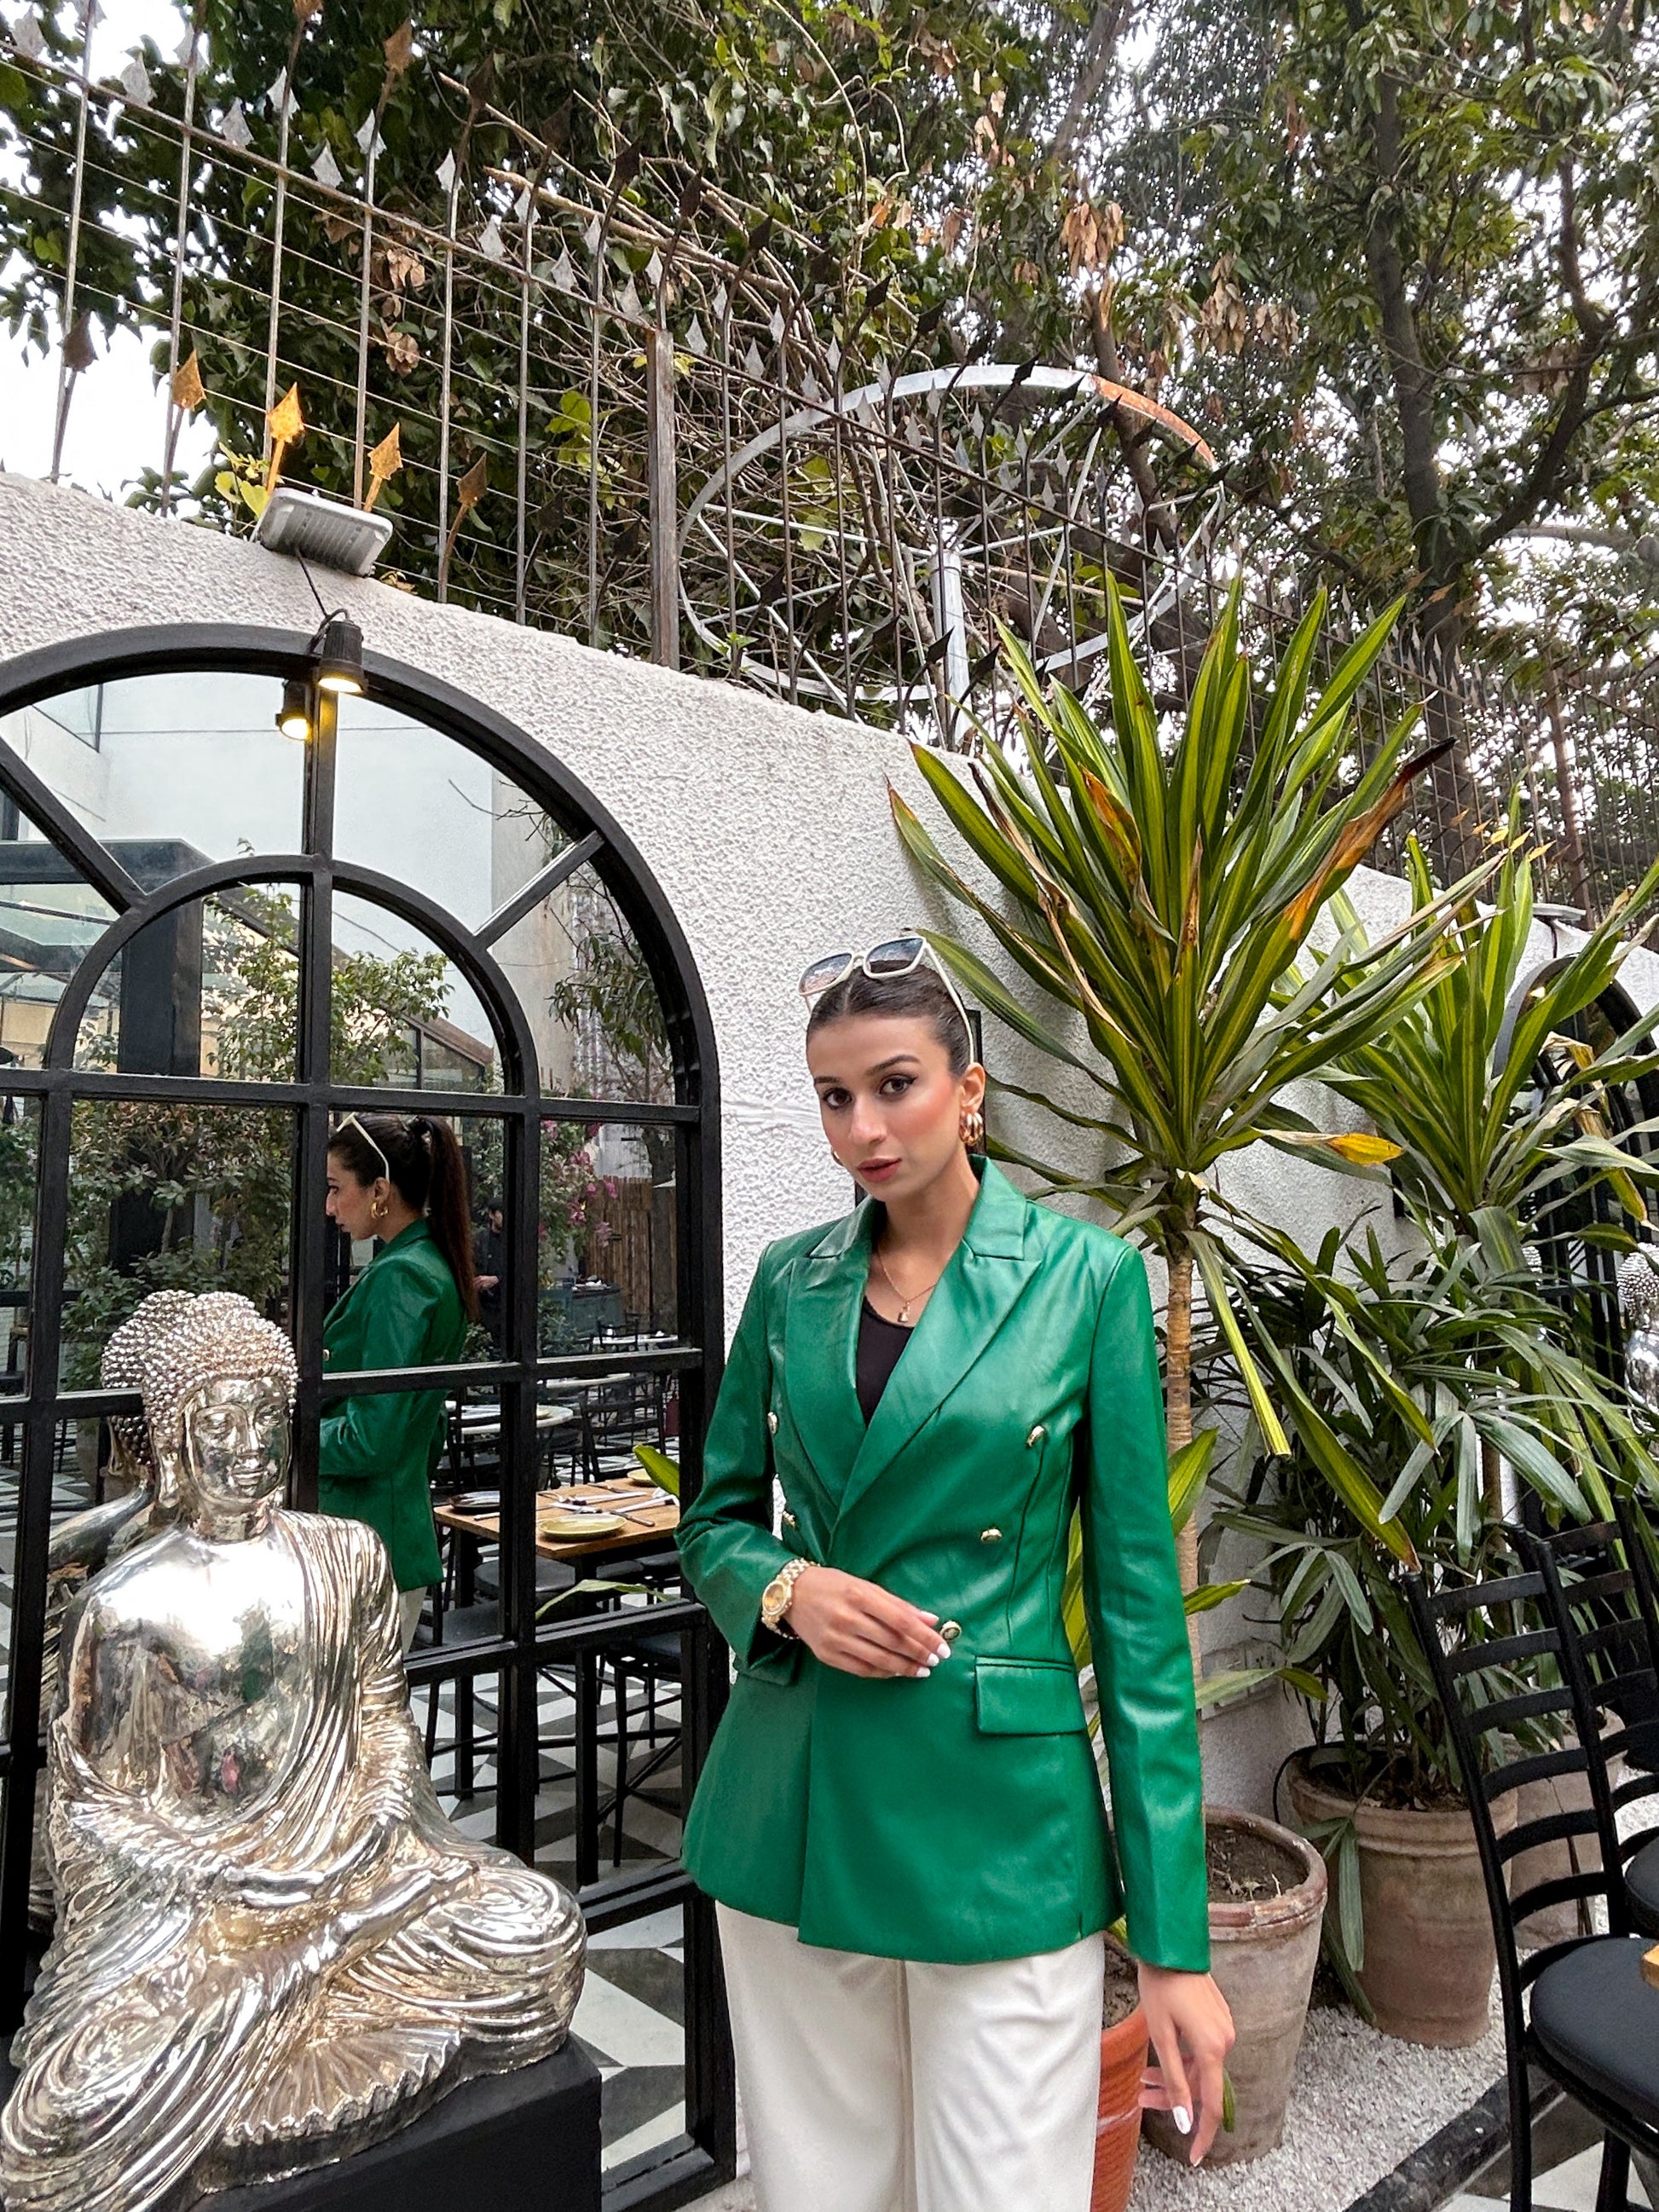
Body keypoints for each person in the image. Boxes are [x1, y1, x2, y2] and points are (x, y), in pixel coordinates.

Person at [674, 936, 1234, 2212]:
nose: (861, 1128)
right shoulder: (790, 1279)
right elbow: (712, 1522)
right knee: (821, 2190)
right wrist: (786, 1590)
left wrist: (1171, 1944)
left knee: (1002, 2189)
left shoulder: (1085, 1280)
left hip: (997, 1830)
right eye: (833, 1096)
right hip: (791, 1802)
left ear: (967, 1088)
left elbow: (1140, 1623)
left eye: (895, 1084)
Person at [322, 1112, 477, 1654]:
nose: (330, 1206)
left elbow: (372, 1436)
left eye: (336, 1188)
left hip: (361, 1544)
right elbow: (426, 1428)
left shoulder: (402, 1276)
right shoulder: (431, 1262)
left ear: (379, 1191)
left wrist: (286, 1436)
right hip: (388, 1533)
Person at [473, 1196, 506, 1351]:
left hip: (506, 1308)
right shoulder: (480, 1240)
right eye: (502, 1213)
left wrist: (497, 1279)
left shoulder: (515, 1241)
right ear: (492, 1214)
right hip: (484, 1308)